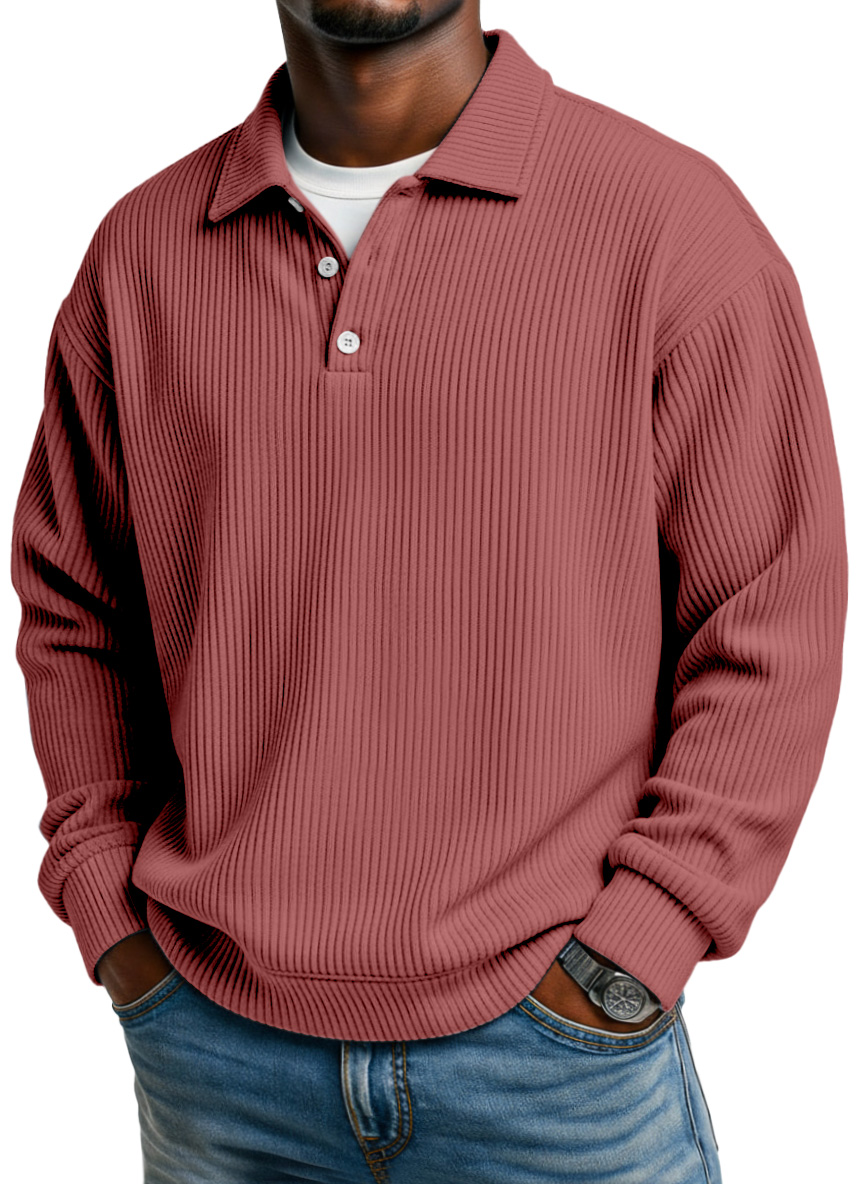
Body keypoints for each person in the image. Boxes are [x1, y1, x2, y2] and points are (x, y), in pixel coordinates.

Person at [10, 1, 847, 1181]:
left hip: (556, 1065)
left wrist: (636, 948)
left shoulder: (668, 225)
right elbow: (75, 608)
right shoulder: (141, 254)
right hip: (218, 1059)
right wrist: (108, 909)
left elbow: (771, 613)